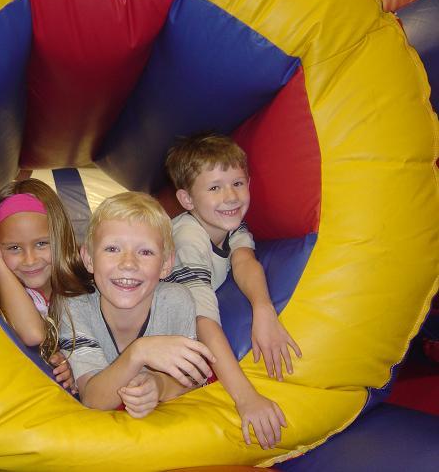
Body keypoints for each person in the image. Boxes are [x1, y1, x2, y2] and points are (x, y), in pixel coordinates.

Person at [164, 132, 302, 449]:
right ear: (187, 200)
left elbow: (245, 262)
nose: (231, 196)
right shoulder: (188, 237)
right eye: (214, 188)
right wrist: (246, 398)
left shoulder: (231, 224)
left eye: (238, 183)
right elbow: (202, 320)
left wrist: (263, 310)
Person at [59, 192, 215, 419]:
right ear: (89, 258)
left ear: (165, 264)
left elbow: (192, 377)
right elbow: (93, 398)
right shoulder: (75, 308)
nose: (129, 264)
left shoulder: (175, 301)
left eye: (145, 252)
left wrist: (159, 385)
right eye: (112, 249)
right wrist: (140, 352)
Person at [0, 178, 92, 392]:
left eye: (41, 244)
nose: (30, 260)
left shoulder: (83, 282)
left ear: (60, 238)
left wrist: (77, 365)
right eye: (13, 248)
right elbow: (33, 334)